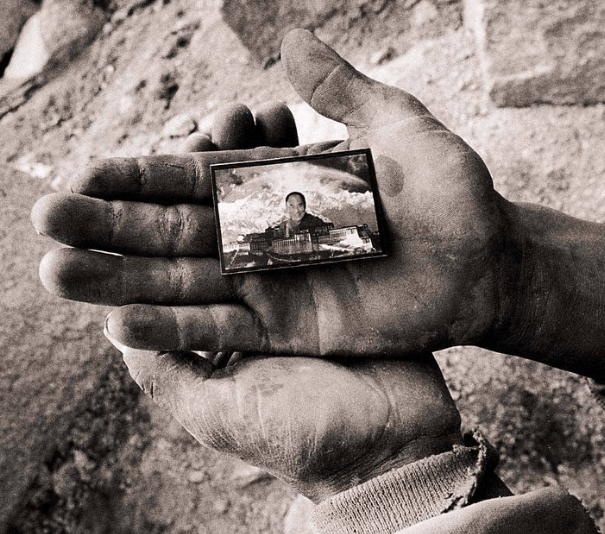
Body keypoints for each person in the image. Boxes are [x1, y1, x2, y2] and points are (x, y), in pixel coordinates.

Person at [31, 29, 603, 533]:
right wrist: (395, 474)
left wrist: (512, 270)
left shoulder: (333, 221)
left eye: (302, 201)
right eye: (293, 202)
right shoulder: (268, 230)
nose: (297, 207)